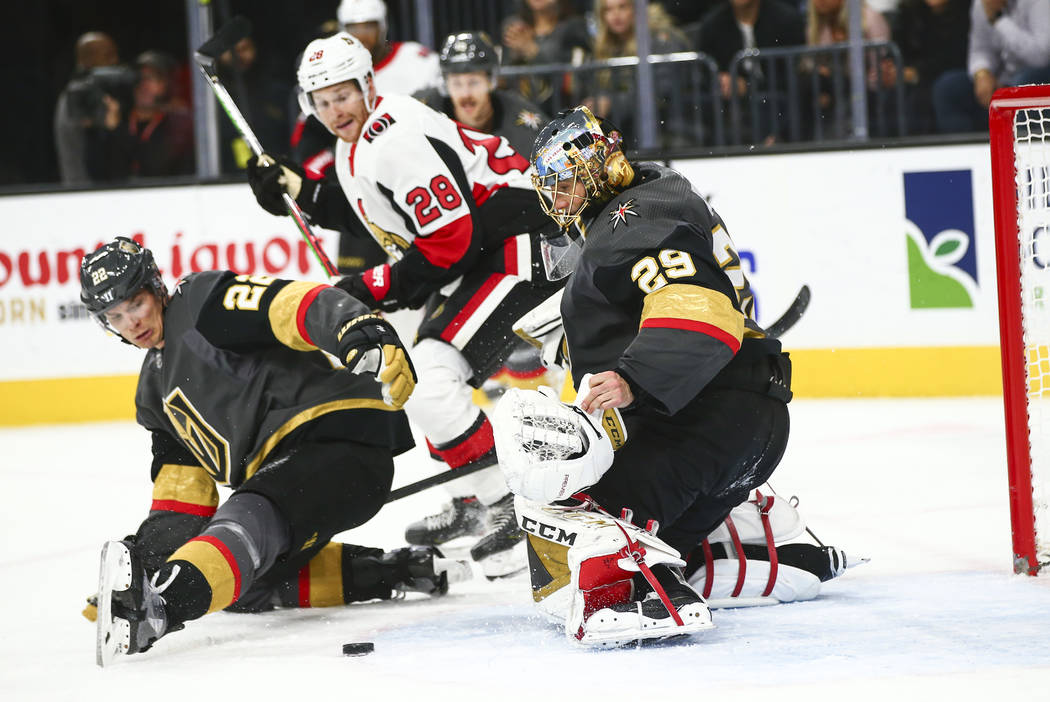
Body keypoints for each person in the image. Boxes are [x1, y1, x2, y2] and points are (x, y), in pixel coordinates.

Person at [246, 33, 565, 578]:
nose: (333, 110)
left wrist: (369, 285)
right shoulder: (358, 140)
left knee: (427, 379)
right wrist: (298, 189)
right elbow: (372, 212)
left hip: (526, 251)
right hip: (491, 253)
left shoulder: (392, 137)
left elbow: (450, 242)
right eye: (321, 102)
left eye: (342, 95)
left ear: (367, 85)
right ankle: (476, 499)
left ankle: (514, 507)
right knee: (416, 378)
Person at [493, 106, 797, 645]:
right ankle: (748, 546)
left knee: (559, 507)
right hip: (737, 425)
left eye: (565, 185)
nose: (557, 201)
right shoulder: (648, 199)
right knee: (622, 511)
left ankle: (645, 592)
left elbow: (694, 304)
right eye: (550, 190)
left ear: (601, 168)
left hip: (701, 421)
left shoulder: (632, 216)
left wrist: (637, 375)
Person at [82, 237, 464, 665]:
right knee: (240, 583)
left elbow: (289, 304)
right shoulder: (152, 395)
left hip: (337, 438)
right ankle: (396, 571)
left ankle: (161, 611)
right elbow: (180, 503)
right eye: (115, 316)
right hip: (285, 478)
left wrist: (355, 328)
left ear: (155, 287)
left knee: (245, 523)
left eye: (135, 304)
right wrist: (147, 570)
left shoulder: (201, 303)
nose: (131, 322)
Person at [407, 30, 551, 551]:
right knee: (428, 380)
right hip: (459, 263)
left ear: (491, 80)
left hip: (518, 267)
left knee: (452, 373)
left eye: (473, 80)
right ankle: (472, 498)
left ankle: (537, 495)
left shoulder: (524, 124)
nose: (465, 92)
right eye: (456, 81)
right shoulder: (425, 117)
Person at [584, 0, 694, 148]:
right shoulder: (605, 49)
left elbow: (661, 92)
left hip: (672, 128)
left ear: (637, 9)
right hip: (628, 134)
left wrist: (612, 103)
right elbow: (599, 87)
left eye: (622, 7)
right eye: (608, 10)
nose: (616, 15)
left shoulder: (663, 40)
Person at [931, 0, 1050, 134]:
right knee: (948, 87)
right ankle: (965, 150)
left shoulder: (1039, 2)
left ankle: (1024, 147)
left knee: (1021, 85)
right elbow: (980, 49)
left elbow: (1041, 56)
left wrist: (999, 19)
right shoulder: (981, 4)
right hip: (1003, 78)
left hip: (1038, 76)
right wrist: (982, 73)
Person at [697, 0, 806, 143]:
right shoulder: (712, 24)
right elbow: (704, 70)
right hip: (730, 103)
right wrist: (720, 79)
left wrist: (747, 85)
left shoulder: (786, 19)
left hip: (778, 99)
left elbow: (791, 71)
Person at [86, 51, 195, 180]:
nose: (144, 85)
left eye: (152, 78)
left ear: (167, 85)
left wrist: (117, 130)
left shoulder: (177, 123)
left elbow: (154, 167)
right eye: (139, 78)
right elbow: (94, 171)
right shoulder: (118, 118)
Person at [54, 31, 125, 185]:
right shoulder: (78, 95)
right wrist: (109, 122)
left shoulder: (96, 93)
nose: (115, 60)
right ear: (85, 60)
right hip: (86, 191)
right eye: (107, 55)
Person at [893, 0, 971, 135]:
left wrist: (917, 73)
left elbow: (960, 56)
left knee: (940, 90)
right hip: (915, 79)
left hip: (955, 74)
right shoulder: (909, 13)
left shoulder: (967, 11)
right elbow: (899, 50)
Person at [501, 0, 592, 112]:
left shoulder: (574, 27)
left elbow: (574, 83)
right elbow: (502, 81)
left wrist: (531, 50)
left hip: (562, 116)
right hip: (522, 115)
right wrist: (514, 55)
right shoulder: (515, 27)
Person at [338, 0, 441, 96]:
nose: (361, 36)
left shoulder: (416, 58)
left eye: (369, 27)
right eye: (353, 28)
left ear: (383, 28)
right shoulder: (336, 72)